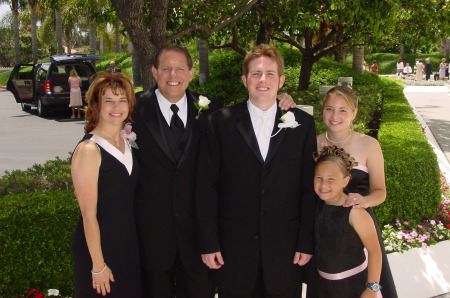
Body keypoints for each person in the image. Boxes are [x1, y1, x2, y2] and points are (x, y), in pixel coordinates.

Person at [132, 44, 296, 297]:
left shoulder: (212, 109)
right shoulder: (133, 109)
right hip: (152, 238)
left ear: (191, 72)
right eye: (166, 68)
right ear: (154, 72)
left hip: (199, 240)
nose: (172, 75)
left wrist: (282, 99)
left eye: (179, 69)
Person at [196, 44, 317, 297]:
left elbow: (308, 188)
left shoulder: (303, 125)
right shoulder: (219, 122)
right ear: (244, 80)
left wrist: (306, 242)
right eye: (256, 74)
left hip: (286, 252)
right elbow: (207, 187)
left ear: (282, 80)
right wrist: (209, 242)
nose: (263, 80)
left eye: (270, 74)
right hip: (233, 252)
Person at [316, 86, 398, 297]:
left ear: (354, 113)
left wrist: (365, 201)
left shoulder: (369, 145)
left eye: (343, 110)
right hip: (323, 228)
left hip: (357, 227)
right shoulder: (313, 142)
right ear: (322, 110)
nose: (335, 116)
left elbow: (381, 191)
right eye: (329, 109)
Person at [71, 72, 142, 297]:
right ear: (96, 105)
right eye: (108, 100)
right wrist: (98, 265)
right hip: (100, 249)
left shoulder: (127, 141)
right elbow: (88, 213)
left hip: (128, 245)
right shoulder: (89, 149)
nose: (116, 106)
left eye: (122, 100)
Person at [314, 145, 385, 298]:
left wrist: (372, 289)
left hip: (353, 287)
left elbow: (374, 251)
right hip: (323, 287)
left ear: (346, 181)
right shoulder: (317, 206)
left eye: (331, 179)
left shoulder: (355, 212)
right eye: (319, 178)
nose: (323, 184)